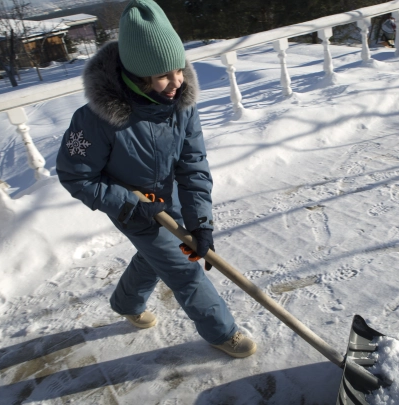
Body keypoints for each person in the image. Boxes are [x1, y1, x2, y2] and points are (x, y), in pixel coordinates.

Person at [56, 0, 256, 358]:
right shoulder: (95, 120)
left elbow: (192, 163)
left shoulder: (181, 102)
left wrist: (200, 221)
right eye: (164, 75)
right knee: (184, 270)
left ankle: (125, 302)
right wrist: (133, 205)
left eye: (178, 69)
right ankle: (221, 331)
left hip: (170, 198)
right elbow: (76, 176)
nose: (177, 82)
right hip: (132, 207)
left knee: (157, 257)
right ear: (136, 74)